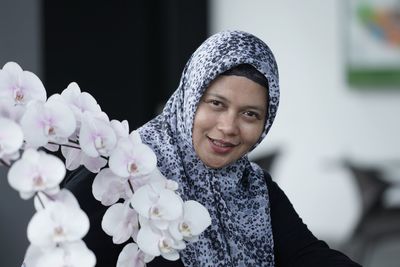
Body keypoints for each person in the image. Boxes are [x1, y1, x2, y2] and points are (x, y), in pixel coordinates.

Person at [63, 30, 361, 266]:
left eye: (250, 114)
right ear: (190, 98)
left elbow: (307, 256)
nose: (229, 127)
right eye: (216, 104)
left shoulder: (255, 188)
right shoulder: (121, 176)